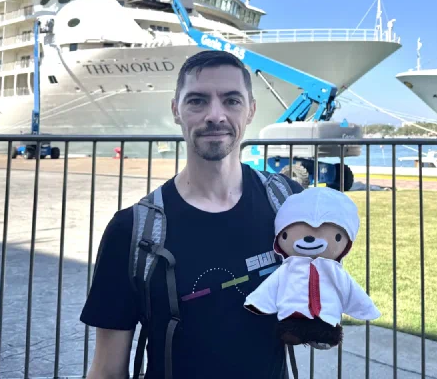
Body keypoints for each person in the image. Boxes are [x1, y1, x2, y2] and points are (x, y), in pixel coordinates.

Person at [81, 50, 303, 379]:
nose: (215, 115)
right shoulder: (131, 232)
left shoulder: (288, 205)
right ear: (176, 110)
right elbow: (107, 370)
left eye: (232, 101)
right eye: (197, 101)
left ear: (251, 110)